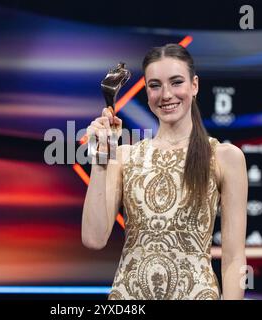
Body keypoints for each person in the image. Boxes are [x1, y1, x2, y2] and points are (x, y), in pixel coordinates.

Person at [81, 43, 247, 300]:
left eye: (176, 82)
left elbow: (234, 257)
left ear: (194, 85)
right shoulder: (124, 156)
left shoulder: (225, 157)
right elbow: (94, 238)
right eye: (155, 85)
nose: (166, 94)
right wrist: (102, 156)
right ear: (147, 93)